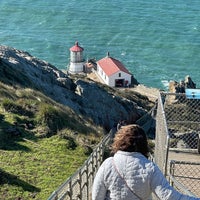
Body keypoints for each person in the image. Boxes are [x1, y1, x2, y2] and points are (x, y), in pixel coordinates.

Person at [92, 124, 199, 200]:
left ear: (119, 141)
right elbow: (168, 195)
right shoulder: (150, 168)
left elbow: (97, 196)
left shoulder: (108, 164)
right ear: (144, 144)